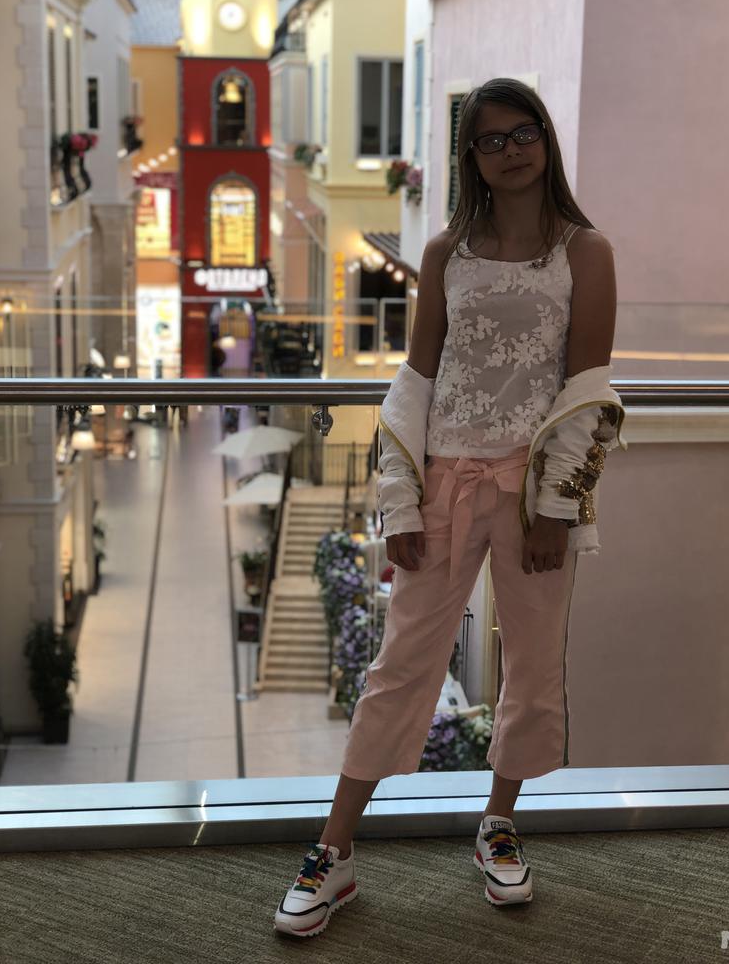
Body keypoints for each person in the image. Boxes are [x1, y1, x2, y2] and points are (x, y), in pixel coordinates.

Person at [274, 77, 627, 938]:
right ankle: (333, 852)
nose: (511, 150)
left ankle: (498, 823)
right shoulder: (445, 252)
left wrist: (556, 507)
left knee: (532, 665)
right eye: (491, 139)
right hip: (444, 484)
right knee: (401, 664)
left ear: (545, 138)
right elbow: (417, 378)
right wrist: (399, 500)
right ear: (471, 157)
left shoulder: (586, 251)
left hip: (534, 493)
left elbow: (587, 384)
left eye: (523, 132)